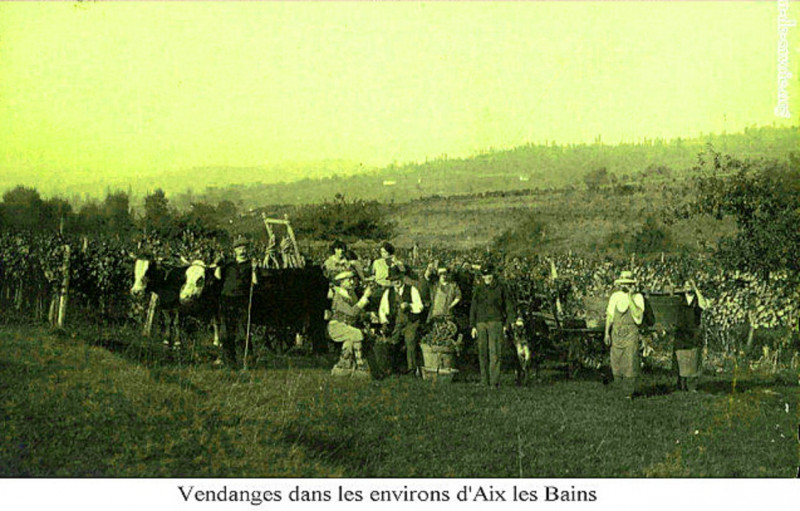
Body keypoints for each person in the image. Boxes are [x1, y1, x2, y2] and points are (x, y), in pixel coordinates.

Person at [469, 262, 516, 388]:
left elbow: (509, 307)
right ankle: (484, 381)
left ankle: (494, 382)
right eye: (484, 275)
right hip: (480, 323)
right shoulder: (479, 289)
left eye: (489, 274)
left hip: (496, 322)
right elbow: (473, 307)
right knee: (482, 352)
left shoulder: (501, 288)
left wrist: (507, 324)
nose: (487, 278)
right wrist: (473, 326)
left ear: (493, 275)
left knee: (495, 352)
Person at [215, 235, 258, 368]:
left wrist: (255, 269)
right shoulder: (229, 264)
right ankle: (230, 363)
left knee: (243, 333)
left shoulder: (251, 264)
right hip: (226, 300)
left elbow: (255, 282)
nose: (242, 250)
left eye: (244, 248)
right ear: (235, 250)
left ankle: (248, 362)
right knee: (226, 334)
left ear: (247, 249)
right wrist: (218, 265)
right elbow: (218, 276)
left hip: (242, 301)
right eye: (239, 248)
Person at [604, 271, 645, 399]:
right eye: (622, 283)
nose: (624, 286)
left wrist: (630, 297)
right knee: (616, 360)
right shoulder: (615, 296)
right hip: (616, 332)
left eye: (627, 284)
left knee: (630, 361)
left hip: (631, 333)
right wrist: (606, 333)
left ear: (632, 284)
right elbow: (610, 316)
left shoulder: (638, 297)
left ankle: (628, 392)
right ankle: (619, 390)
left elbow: (638, 316)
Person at [379, 266, 425, 375]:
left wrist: (409, 305)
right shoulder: (388, 292)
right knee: (392, 342)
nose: (396, 281)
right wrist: (384, 321)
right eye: (393, 280)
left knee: (410, 341)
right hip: (396, 322)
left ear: (402, 278)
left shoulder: (412, 289)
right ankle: (392, 369)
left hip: (411, 321)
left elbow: (420, 307)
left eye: (398, 278)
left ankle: (411, 370)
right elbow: (382, 309)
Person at [328, 270, 372, 376]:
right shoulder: (339, 297)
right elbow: (352, 313)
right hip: (336, 327)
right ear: (341, 283)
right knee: (357, 334)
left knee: (349, 342)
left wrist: (368, 315)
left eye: (352, 279)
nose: (352, 282)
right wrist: (365, 297)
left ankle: (343, 367)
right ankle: (361, 366)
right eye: (349, 280)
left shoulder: (350, 295)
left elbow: (358, 313)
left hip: (346, 326)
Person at [674, 279, 708, 392]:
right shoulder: (679, 298)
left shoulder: (697, 299)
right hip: (681, 333)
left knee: (694, 359)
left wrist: (696, 288)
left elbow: (704, 305)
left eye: (691, 285)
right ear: (683, 287)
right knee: (682, 358)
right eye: (686, 285)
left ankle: (692, 386)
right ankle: (682, 385)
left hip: (693, 333)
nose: (688, 287)